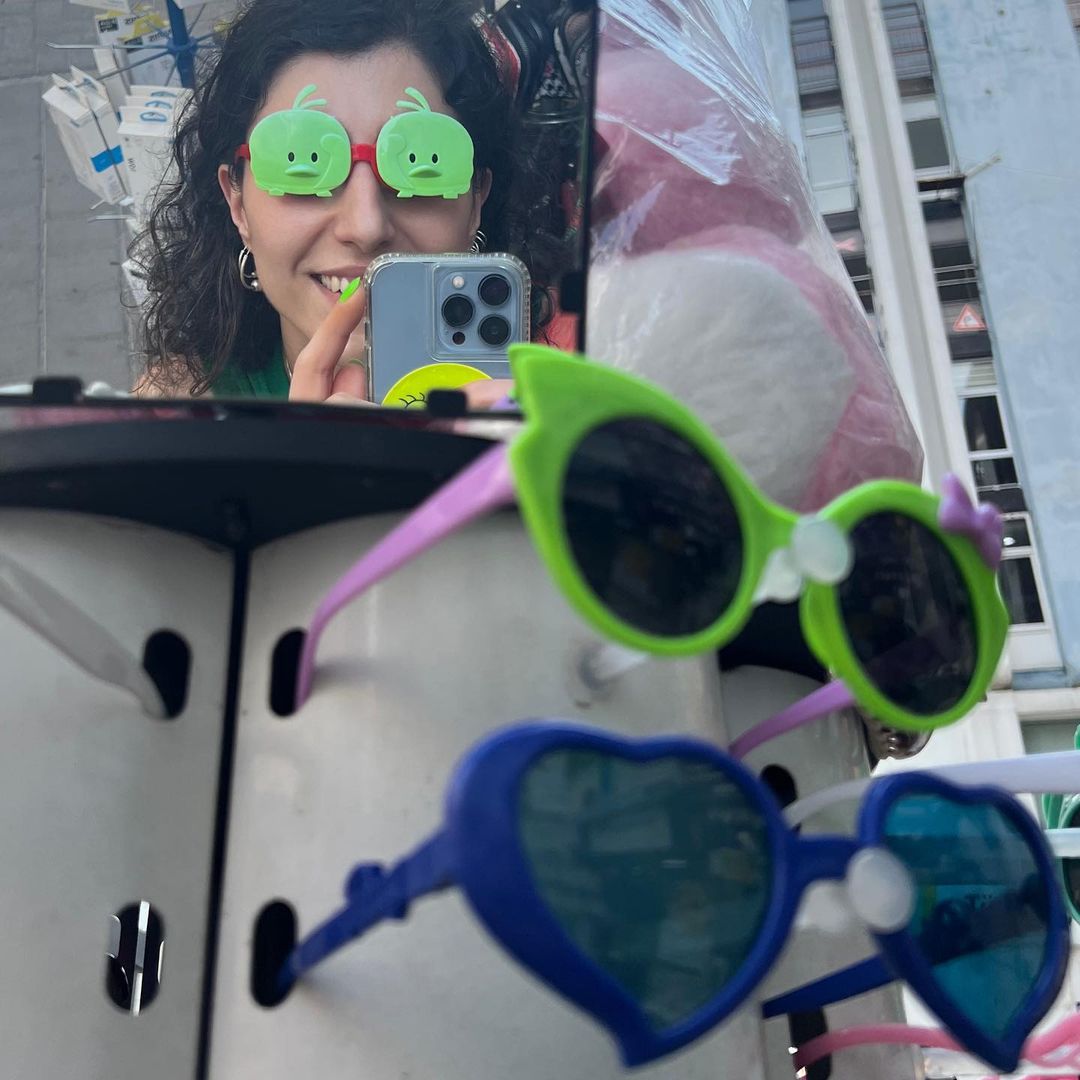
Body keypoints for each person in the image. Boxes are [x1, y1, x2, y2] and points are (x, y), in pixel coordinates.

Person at [133, 0, 575, 404]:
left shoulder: (562, 406)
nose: (366, 226)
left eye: (425, 165)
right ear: (237, 203)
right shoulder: (178, 414)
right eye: (301, 164)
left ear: (477, 198)